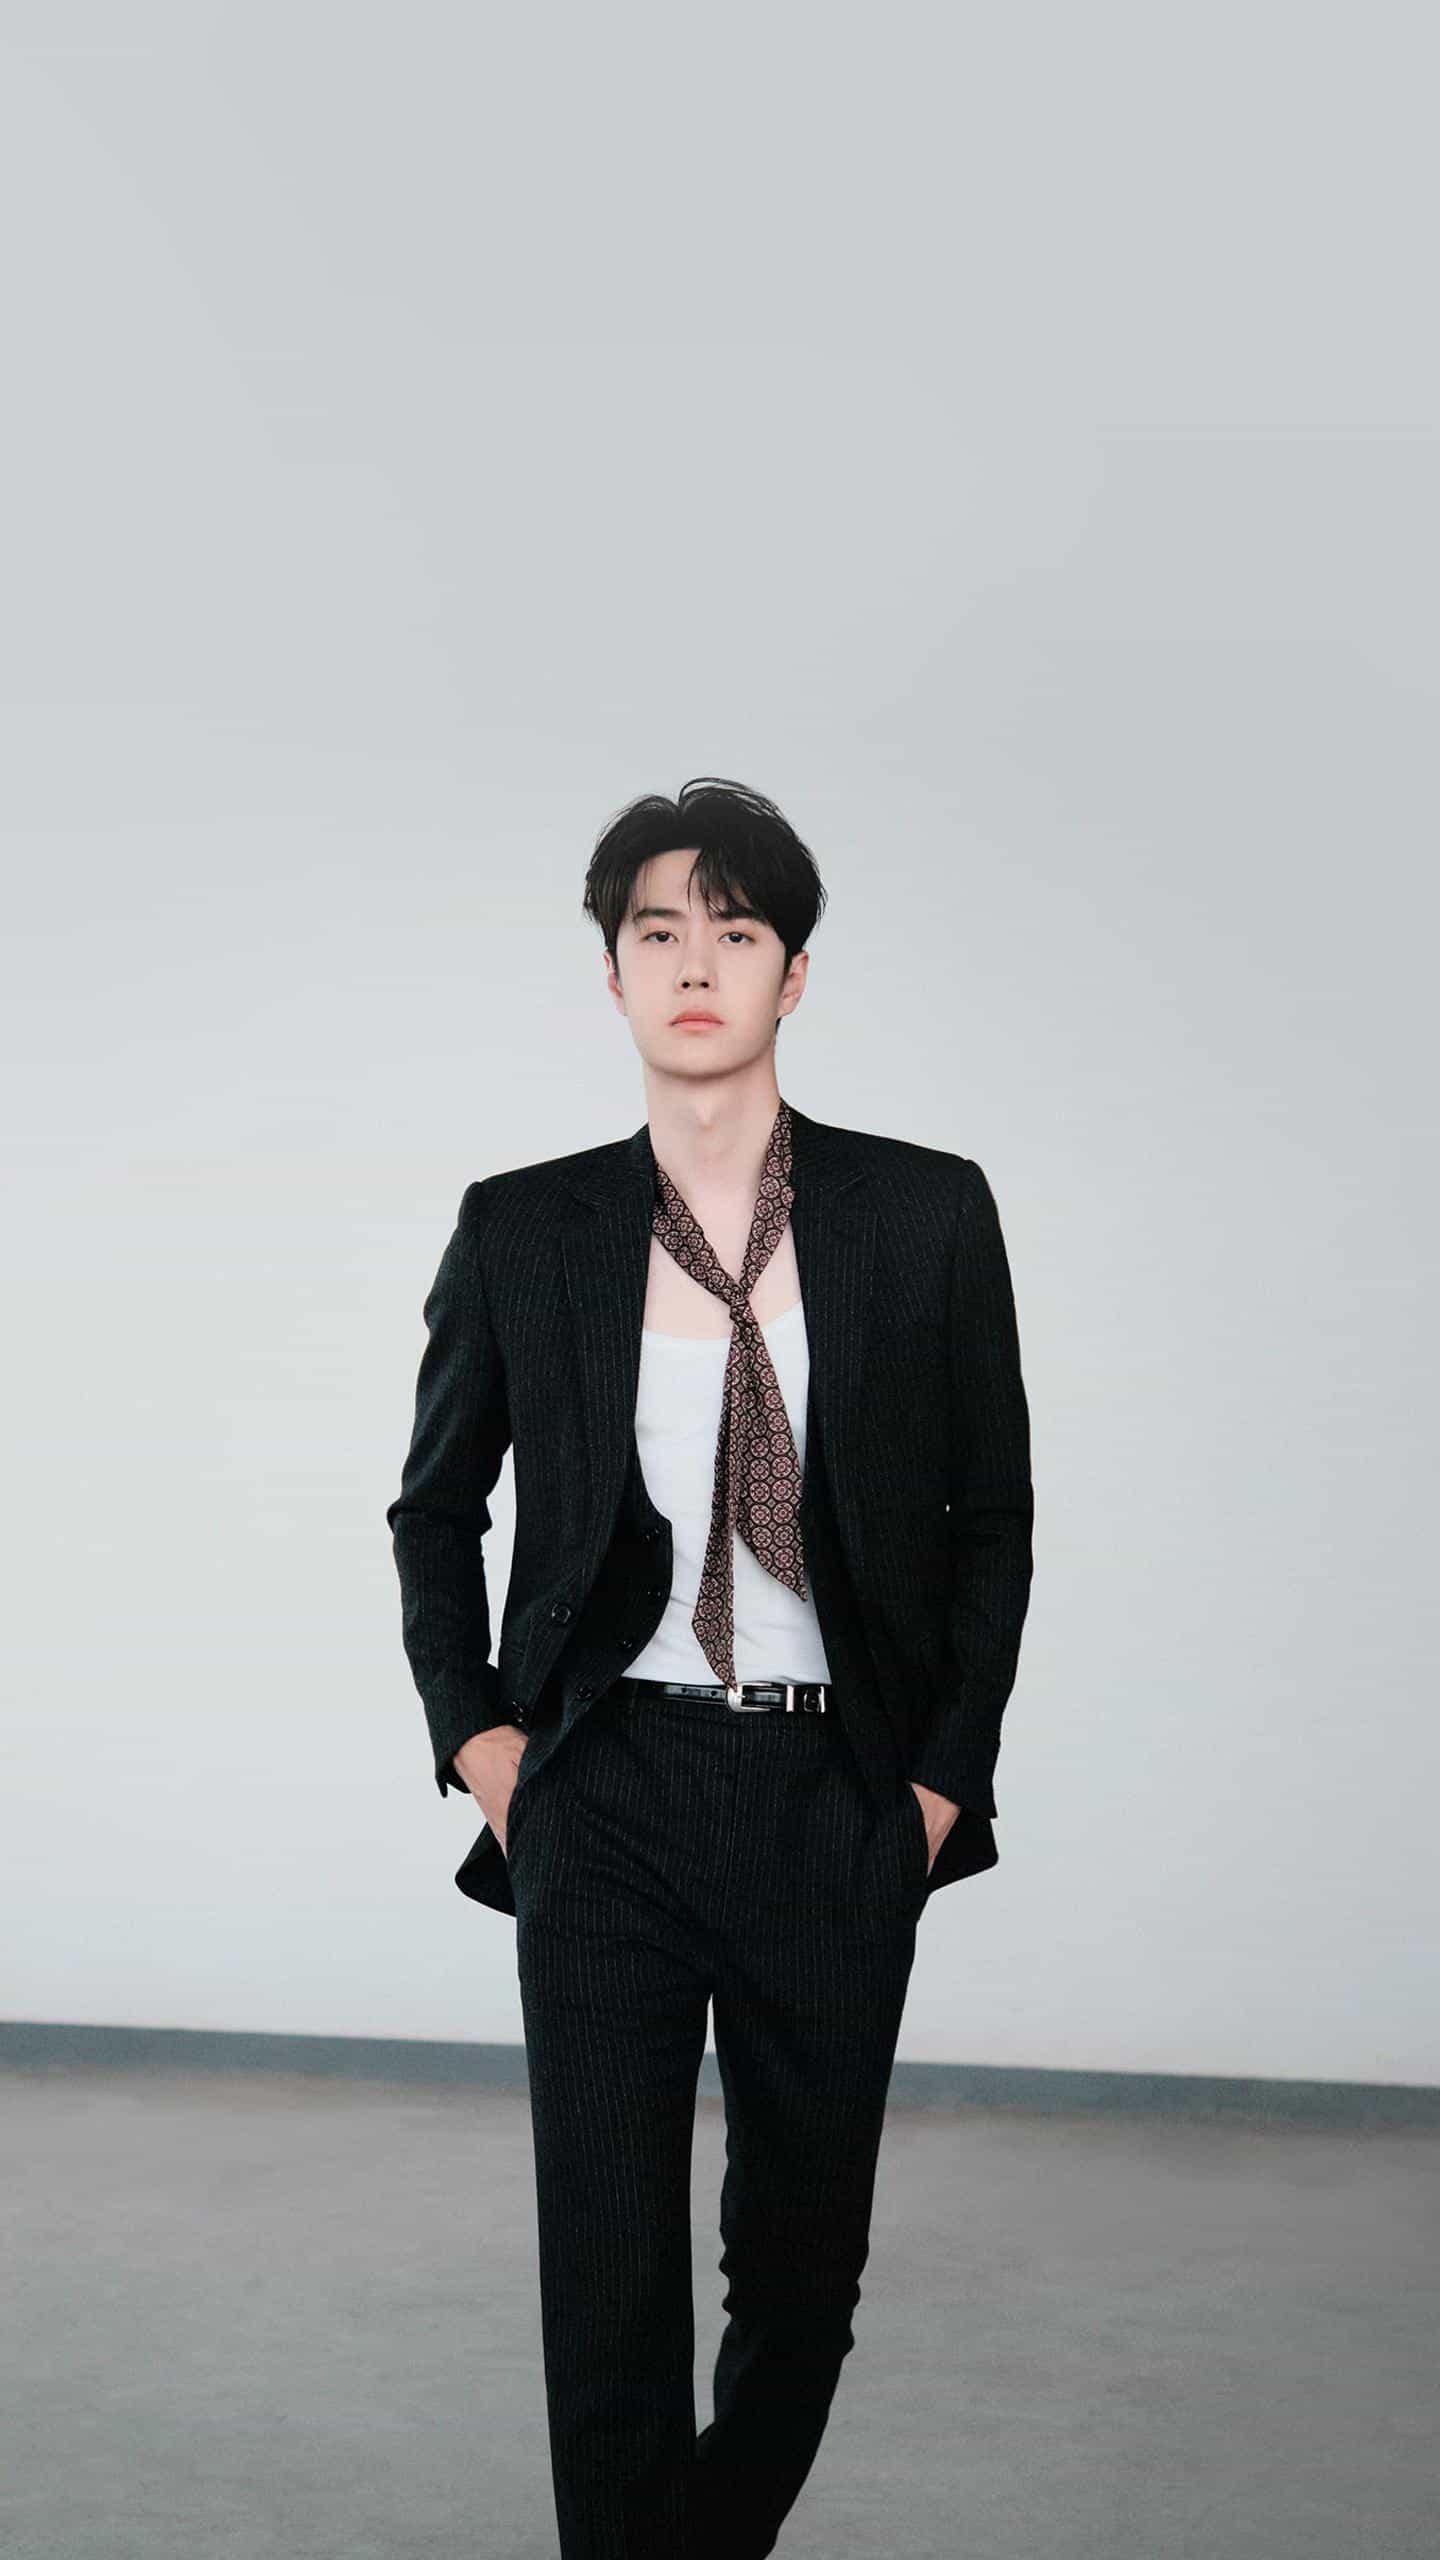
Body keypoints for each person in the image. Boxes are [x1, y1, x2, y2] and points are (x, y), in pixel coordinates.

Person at [386, 775, 1035, 2559]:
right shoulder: (523, 1228)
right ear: (612, 974)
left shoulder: (925, 1213)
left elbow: (993, 1518)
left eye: (734, 932)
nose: (694, 965)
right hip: (604, 1790)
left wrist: (940, 1782)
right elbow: (434, 1509)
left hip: (839, 1792)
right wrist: (483, 1744)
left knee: (802, 2275)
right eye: (657, 931)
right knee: (605, 2270)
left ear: (792, 975)